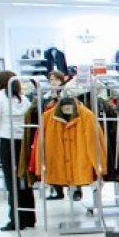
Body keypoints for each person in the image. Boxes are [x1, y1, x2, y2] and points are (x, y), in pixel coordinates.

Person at [0, 71, 36, 231]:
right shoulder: (23, 98)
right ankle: (29, 217)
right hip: (23, 141)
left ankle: (16, 220)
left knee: (12, 181)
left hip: (8, 141)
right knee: (24, 180)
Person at [45, 71, 81, 202]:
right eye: (51, 80)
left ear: (62, 80)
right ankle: (57, 189)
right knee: (56, 160)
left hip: (70, 131)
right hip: (55, 132)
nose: (53, 82)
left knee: (73, 159)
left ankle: (76, 188)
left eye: (56, 79)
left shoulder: (68, 93)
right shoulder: (46, 96)